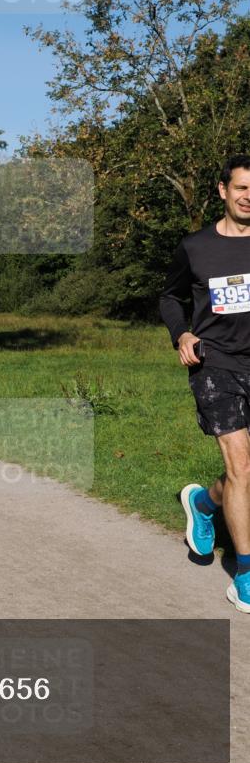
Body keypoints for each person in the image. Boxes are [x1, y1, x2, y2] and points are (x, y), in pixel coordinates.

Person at [160, 155, 250, 614]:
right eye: (241, 188)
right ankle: (245, 575)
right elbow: (169, 296)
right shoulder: (195, 247)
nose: (249, 197)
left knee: (246, 472)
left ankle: (203, 504)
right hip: (214, 363)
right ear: (223, 190)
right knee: (241, 465)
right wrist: (182, 334)